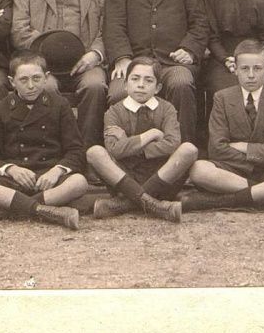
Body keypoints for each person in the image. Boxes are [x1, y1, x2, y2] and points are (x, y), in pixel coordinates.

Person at [102, 0, 207, 140]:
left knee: (182, 84)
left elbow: (200, 22)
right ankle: (121, 153)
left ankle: (183, 152)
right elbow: (114, 25)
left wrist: (188, 49)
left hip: (172, 61)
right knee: (119, 91)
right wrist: (122, 58)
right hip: (133, 63)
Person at [0, 51, 89, 230]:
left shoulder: (60, 105)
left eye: (37, 78)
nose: (31, 86)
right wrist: (11, 170)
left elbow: (76, 151)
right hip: (14, 181)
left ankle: (3, 211)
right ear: (12, 81)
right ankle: (44, 210)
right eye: (23, 80)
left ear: (46, 78)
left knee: (79, 182)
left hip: (48, 179)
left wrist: (57, 171)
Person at [10, 0, 109, 146]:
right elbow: (19, 30)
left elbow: (106, 30)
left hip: (86, 64)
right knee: (43, 86)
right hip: (43, 65)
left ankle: (88, 152)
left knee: (95, 86)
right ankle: (51, 152)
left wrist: (94, 54)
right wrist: (44, 57)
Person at [185, 38, 264, 212]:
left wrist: (243, 147)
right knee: (199, 169)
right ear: (235, 70)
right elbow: (216, 149)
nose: (251, 75)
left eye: (257, 68)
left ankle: (227, 200)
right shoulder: (222, 98)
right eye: (245, 68)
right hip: (233, 172)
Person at [83, 56, 194, 222]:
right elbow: (115, 150)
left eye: (148, 80)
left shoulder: (167, 109)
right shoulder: (114, 112)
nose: (141, 85)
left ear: (158, 88)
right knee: (94, 152)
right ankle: (155, 205)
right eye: (135, 79)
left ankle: (125, 204)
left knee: (189, 150)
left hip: (161, 176)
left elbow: (172, 143)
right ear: (126, 85)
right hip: (124, 178)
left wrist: (128, 143)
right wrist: (151, 135)